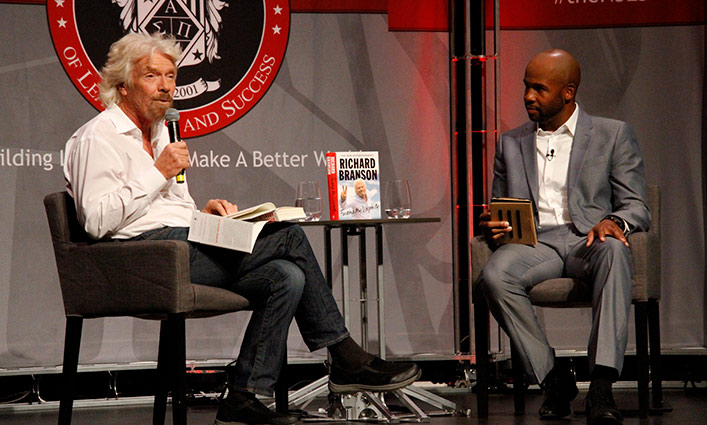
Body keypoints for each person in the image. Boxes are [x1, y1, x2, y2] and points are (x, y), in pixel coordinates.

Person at [63, 32, 420, 425]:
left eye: (171, 76)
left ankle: (243, 396)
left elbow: (168, 209)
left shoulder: (162, 135)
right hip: (139, 262)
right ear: (122, 84)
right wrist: (157, 171)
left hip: (176, 247)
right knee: (287, 236)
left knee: (286, 276)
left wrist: (207, 217)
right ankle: (344, 354)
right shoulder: (98, 136)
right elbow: (96, 222)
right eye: (152, 76)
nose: (166, 87)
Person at [476, 49, 650, 425]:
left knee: (616, 253)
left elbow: (637, 205)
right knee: (494, 275)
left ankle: (602, 384)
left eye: (539, 89)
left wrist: (615, 222)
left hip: (588, 239)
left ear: (568, 92)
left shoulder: (612, 133)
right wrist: (492, 222)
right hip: (535, 243)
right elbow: (498, 204)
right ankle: (554, 379)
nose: (528, 97)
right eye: (526, 87)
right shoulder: (511, 142)